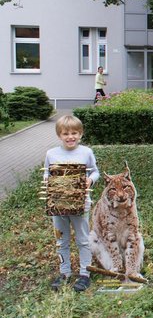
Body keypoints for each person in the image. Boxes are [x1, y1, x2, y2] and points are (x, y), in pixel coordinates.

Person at [44, 115, 100, 292]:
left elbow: (95, 172)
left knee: (83, 240)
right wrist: (48, 181)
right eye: (66, 133)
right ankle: (65, 272)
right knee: (61, 240)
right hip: (58, 205)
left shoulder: (86, 152)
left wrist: (90, 180)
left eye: (74, 133)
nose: (70, 137)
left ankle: (85, 273)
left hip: (81, 205)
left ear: (81, 134)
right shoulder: (51, 154)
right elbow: (47, 174)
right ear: (59, 135)